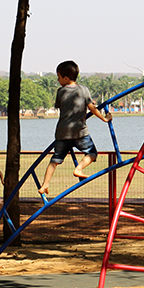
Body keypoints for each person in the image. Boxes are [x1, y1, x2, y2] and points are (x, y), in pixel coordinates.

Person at [38, 60, 113, 195]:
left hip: (62, 133)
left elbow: (62, 106)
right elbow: (92, 108)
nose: (58, 80)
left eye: (59, 77)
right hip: (79, 132)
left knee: (55, 160)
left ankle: (45, 185)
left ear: (66, 78)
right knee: (92, 153)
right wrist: (104, 118)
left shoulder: (60, 92)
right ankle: (79, 168)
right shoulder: (83, 90)